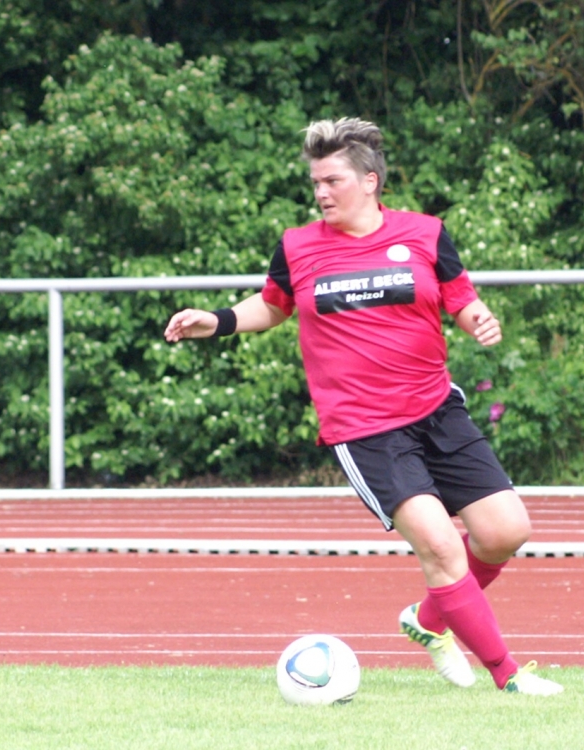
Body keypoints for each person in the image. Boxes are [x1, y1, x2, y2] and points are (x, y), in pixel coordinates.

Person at [164, 117, 563, 696]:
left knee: (505, 531)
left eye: (333, 181)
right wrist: (218, 320)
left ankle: (428, 619)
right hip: (366, 428)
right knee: (440, 547)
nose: (321, 193)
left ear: (370, 181)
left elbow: (460, 299)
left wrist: (478, 319)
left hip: (437, 409)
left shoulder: (425, 233)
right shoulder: (298, 245)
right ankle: (508, 676)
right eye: (315, 183)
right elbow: (274, 305)